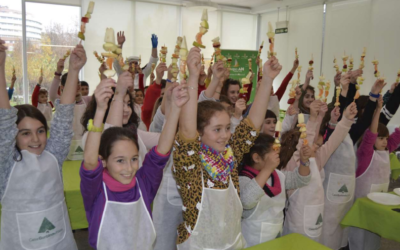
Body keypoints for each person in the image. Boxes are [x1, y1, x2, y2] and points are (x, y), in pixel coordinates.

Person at [173, 46, 282, 249]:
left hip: (232, 243)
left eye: (226, 128)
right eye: (217, 130)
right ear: (199, 132)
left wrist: (267, 79)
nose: (225, 135)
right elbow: (186, 132)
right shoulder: (191, 164)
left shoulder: (229, 158)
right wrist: (193, 78)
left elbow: (252, 124)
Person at [80, 77, 188, 249]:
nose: (129, 168)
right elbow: (90, 163)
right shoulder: (96, 189)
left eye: (134, 159)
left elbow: (161, 152)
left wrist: (175, 109)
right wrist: (100, 110)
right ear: (104, 160)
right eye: (120, 160)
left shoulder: (144, 183)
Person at [0, 40, 84, 249]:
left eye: (40, 131)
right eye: (25, 133)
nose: (36, 139)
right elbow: (4, 122)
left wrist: (73, 71)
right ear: (13, 136)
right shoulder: (6, 164)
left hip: (61, 242)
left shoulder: (53, 156)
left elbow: (64, 118)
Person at [239, 134, 311, 247]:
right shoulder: (244, 179)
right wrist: (267, 169)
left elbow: (301, 180)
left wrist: (304, 161)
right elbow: (246, 201)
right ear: (256, 158)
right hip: (252, 242)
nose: (277, 153)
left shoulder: (277, 175)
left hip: (275, 239)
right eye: (273, 150)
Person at [349, 95, 400, 250]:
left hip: (378, 203)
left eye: (386, 138)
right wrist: (377, 111)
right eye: (381, 138)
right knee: (359, 238)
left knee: (374, 236)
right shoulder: (366, 154)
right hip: (363, 205)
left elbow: (397, 136)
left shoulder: (386, 151)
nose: (385, 141)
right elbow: (371, 136)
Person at [81, 71, 160, 168]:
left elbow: (159, 140)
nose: (126, 109)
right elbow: (112, 136)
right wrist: (119, 94)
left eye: (128, 104)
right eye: (120, 104)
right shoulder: (91, 136)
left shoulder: (131, 131)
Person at [49, 58, 92, 161]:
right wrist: (58, 73)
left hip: (85, 146)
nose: (76, 86)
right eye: (72, 83)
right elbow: (52, 94)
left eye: (78, 82)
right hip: (66, 149)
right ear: (63, 87)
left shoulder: (88, 100)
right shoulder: (61, 102)